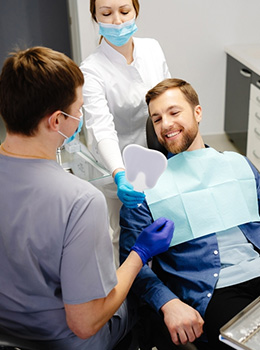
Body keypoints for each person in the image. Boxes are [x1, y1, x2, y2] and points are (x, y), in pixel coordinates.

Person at [0, 47, 175, 350]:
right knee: (144, 300)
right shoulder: (80, 200)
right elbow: (84, 322)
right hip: (65, 342)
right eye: (78, 110)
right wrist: (140, 253)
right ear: (57, 120)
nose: (80, 117)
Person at [120, 78, 260, 350]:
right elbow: (130, 265)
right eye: (157, 119)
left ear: (197, 112)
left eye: (174, 112)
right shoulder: (144, 190)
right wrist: (168, 302)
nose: (166, 124)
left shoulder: (238, 165)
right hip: (217, 291)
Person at [80, 0, 171, 267]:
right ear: (95, 17)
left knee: (161, 226)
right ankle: (122, 302)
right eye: (106, 14)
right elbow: (101, 127)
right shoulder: (92, 69)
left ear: (136, 10)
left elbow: (168, 97)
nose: (117, 21)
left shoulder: (152, 48)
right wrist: (119, 173)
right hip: (116, 166)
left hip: (158, 157)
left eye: (124, 11)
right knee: (121, 239)